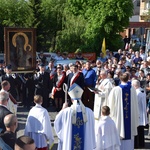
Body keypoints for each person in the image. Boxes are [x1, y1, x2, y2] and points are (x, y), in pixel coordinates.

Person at [54, 83, 96, 150]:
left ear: (71, 99)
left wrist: (62, 109)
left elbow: (57, 123)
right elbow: (92, 127)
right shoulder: (89, 112)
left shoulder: (66, 112)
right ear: (81, 98)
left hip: (70, 144)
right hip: (85, 145)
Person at [108, 73, 139, 150]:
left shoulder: (115, 90)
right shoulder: (132, 89)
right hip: (130, 119)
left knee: (119, 133)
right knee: (129, 141)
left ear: (120, 78)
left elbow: (110, 104)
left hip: (119, 119)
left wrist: (111, 115)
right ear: (129, 78)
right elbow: (136, 104)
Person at [132, 80, 147, 148]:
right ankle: (141, 143)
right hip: (142, 112)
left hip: (138, 113)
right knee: (141, 130)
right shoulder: (142, 91)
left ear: (135, 86)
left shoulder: (137, 93)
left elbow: (135, 103)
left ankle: (137, 144)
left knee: (137, 130)